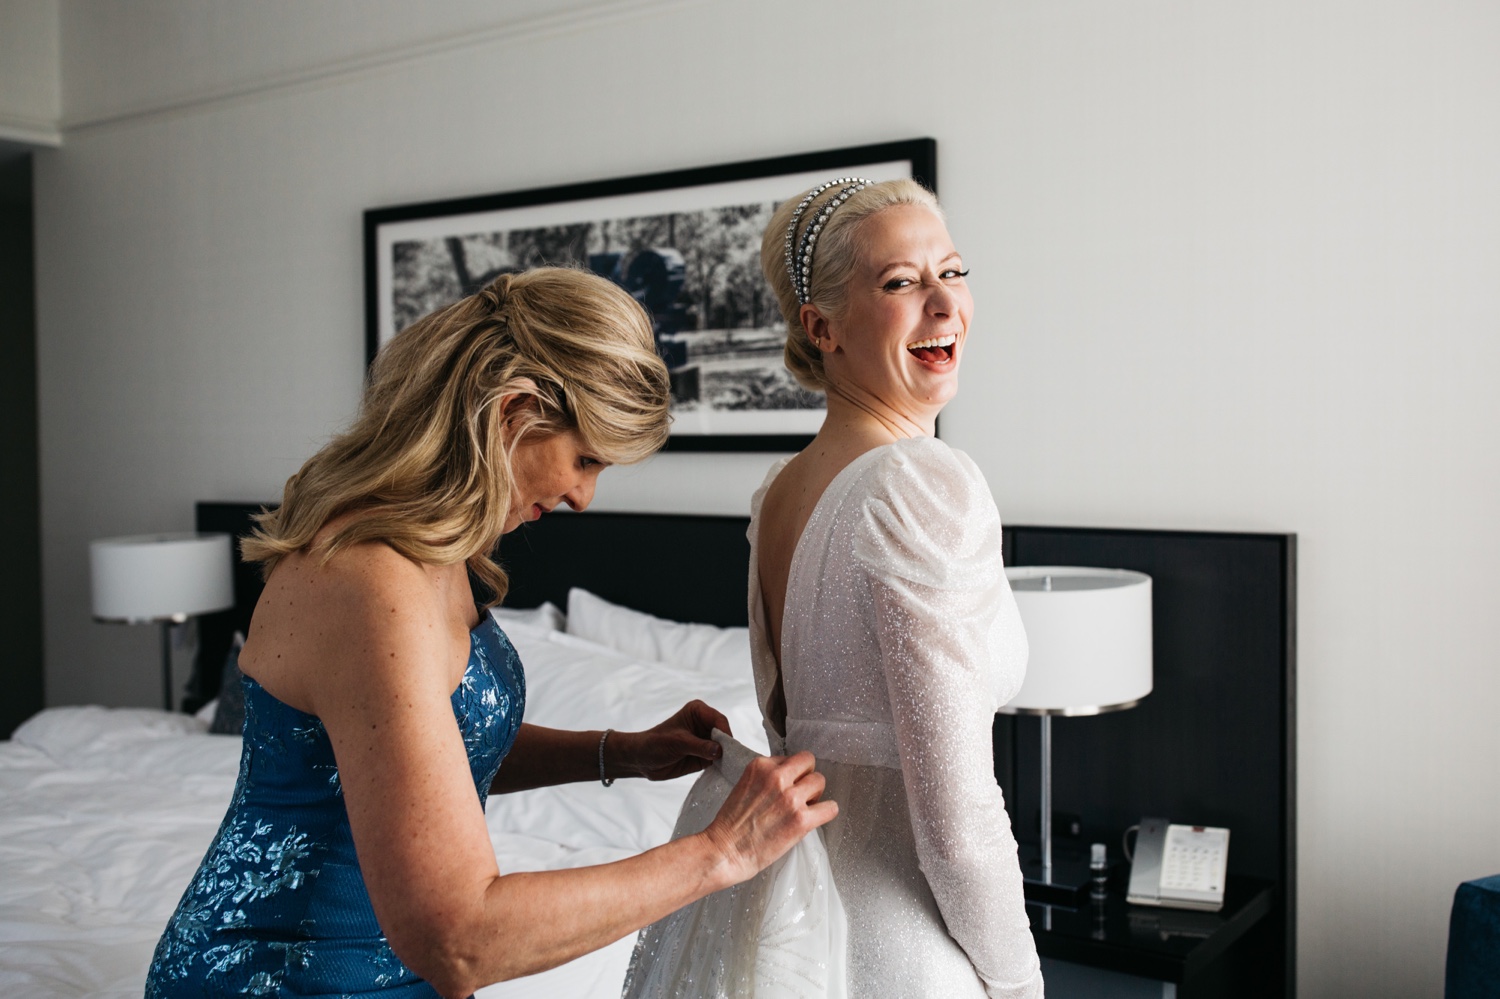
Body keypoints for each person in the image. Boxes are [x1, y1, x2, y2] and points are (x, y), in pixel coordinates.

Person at [143, 267, 838, 999]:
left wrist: (619, 751)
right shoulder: (370, 583)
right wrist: (720, 853)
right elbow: (459, 939)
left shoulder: (428, 552)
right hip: (284, 975)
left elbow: (422, 756)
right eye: (586, 459)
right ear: (513, 412)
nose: (582, 497)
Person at [626, 179, 1044, 997]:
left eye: (953, 272)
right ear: (821, 327)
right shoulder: (922, 483)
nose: (944, 304)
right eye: (900, 282)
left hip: (792, 930)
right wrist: (1022, 984)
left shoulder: (780, 494)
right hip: (910, 952)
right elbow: (959, 825)